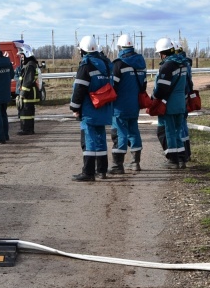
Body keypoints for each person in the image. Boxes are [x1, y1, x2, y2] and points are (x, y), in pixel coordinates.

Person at [69, 35, 114, 181]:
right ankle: (102, 171)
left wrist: (74, 107)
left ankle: (88, 172)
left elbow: (79, 89)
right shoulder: (106, 64)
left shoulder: (86, 66)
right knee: (101, 138)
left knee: (90, 139)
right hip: (104, 106)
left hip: (90, 108)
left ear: (83, 51)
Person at [108, 34, 147, 173]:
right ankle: (135, 163)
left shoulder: (118, 64)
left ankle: (117, 165)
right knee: (134, 131)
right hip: (134, 105)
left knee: (120, 133)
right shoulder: (141, 63)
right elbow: (143, 86)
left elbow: (113, 87)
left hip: (120, 106)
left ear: (120, 47)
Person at [152, 37, 189, 169]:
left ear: (163, 53)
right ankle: (181, 158)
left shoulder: (167, 66)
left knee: (170, 132)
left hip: (169, 104)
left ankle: (173, 160)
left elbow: (162, 88)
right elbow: (187, 85)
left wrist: (154, 97)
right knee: (178, 131)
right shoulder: (183, 64)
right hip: (180, 104)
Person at [16, 45, 40, 135]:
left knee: (26, 113)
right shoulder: (29, 63)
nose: (21, 58)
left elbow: (27, 81)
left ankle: (27, 130)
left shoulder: (30, 65)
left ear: (26, 54)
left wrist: (22, 94)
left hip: (28, 93)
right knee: (26, 112)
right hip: (28, 93)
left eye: (22, 55)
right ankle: (26, 129)